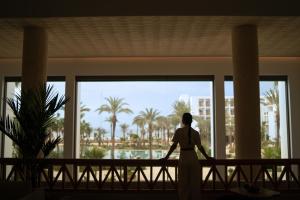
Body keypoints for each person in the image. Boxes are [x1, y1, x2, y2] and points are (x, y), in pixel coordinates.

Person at [161, 113, 214, 200]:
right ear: (191, 121)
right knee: (195, 182)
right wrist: (207, 157)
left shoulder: (179, 131)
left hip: (183, 157)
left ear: (183, 121)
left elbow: (174, 146)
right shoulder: (195, 133)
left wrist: (166, 157)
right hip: (193, 157)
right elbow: (200, 147)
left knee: (183, 182)